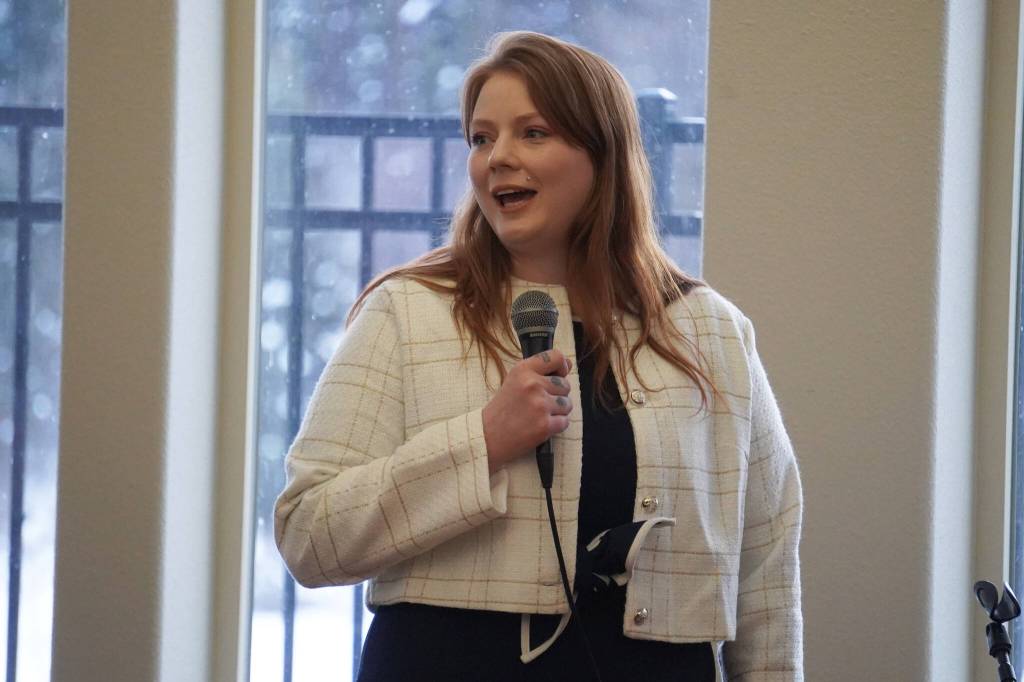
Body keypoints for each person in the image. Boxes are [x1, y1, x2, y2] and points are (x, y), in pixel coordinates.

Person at [274, 30, 804, 682]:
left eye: (533, 132)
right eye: (480, 137)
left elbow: (767, 570)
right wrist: (482, 442)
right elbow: (309, 536)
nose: (496, 158)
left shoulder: (711, 332)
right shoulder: (407, 311)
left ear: (601, 153)